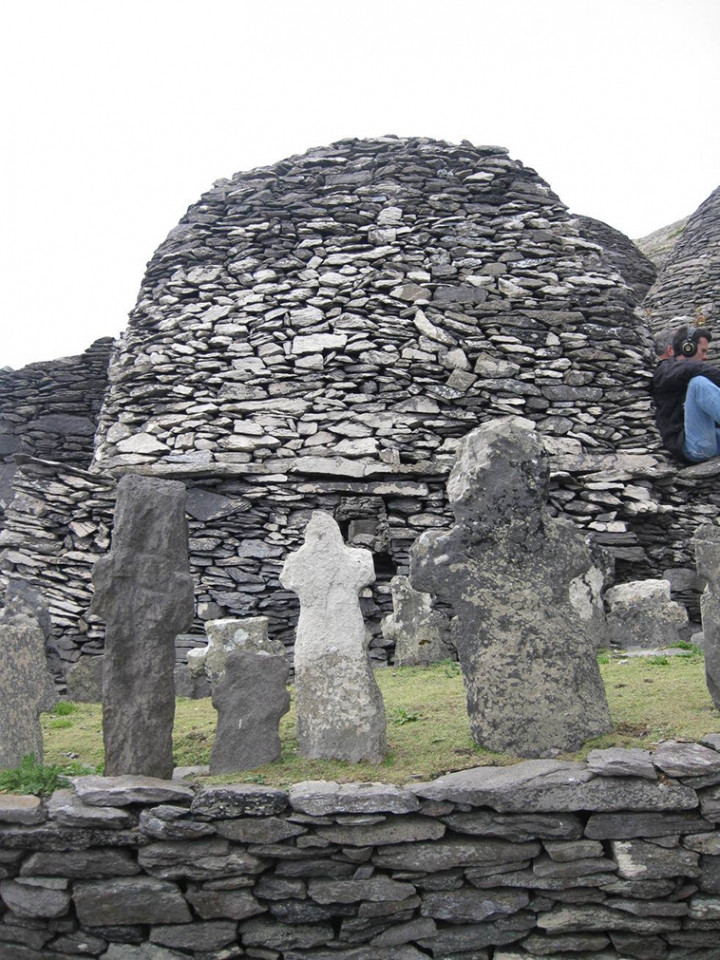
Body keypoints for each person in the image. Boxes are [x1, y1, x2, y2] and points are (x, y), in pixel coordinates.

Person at [651, 323, 720, 463]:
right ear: (688, 348)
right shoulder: (664, 371)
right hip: (694, 447)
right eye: (703, 351)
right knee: (698, 383)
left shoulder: (693, 371)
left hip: (712, 438)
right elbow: (689, 368)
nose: (705, 357)